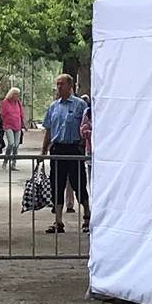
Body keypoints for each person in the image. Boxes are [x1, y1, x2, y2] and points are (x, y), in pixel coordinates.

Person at [43, 75, 91, 233]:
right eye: (57, 84)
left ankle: (87, 215)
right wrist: (43, 151)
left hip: (73, 148)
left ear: (70, 86)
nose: (59, 87)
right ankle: (58, 221)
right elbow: (48, 130)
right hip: (57, 148)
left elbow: (86, 126)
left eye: (61, 84)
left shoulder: (80, 105)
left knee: (79, 183)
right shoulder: (53, 107)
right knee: (57, 184)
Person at [0, 88, 29, 168]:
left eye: (18, 94)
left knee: (16, 145)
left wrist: (24, 124)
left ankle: (13, 164)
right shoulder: (5, 102)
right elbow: (2, 114)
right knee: (11, 143)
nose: (18, 96)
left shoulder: (18, 102)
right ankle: (5, 160)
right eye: (16, 94)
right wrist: (4, 123)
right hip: (8, 125)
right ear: (12, 94)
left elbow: (21, 113)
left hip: (17, 125)